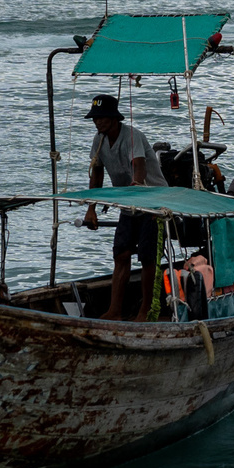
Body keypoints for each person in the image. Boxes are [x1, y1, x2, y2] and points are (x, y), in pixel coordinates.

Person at [84, 93, 162, 319]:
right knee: (121, 254)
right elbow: (96, 175)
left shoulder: (132, 136)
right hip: (128, 204)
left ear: (114, 117)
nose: (98, 122)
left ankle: (145, 311)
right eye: (94, 118)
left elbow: (139, 166)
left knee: (148, 257)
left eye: (102, 117)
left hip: (152, 202)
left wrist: (137, 184)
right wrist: (91, 209)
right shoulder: (98, 140)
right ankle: (114, 310)